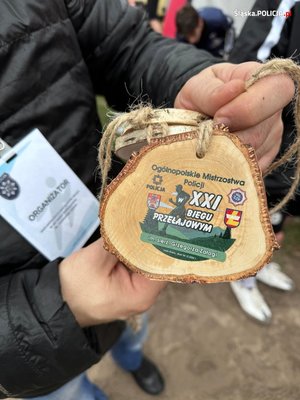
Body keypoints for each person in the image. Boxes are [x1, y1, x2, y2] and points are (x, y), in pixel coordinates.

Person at [0, 0, 295, 399]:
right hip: (30, 338)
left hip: (123, 229)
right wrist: (48, 315)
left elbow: (125, 44)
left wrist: (192, 84)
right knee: (69, 392)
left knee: (135, 332)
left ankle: (134, 360)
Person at [229, 0, 299, 324]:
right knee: (254, 223)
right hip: (274, 155)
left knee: (277, 224)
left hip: (294, 168)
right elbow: (250, 67)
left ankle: (261, 263)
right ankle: (243, 278)